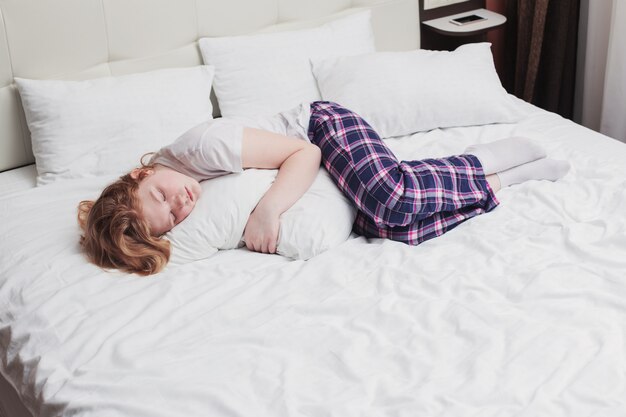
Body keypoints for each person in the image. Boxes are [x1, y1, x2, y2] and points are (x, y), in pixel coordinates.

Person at [78, 101, 570, 275]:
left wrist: (268, 211)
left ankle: (503, 152)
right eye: (173, 217)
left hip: (320, 126)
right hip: (314, 150)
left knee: (391, 198)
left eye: (162, 194)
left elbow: (304, 154)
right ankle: (502, 179)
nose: (181, 202)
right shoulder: (170, 189)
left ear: (141, 173)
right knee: (386, 227)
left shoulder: (207, 147)